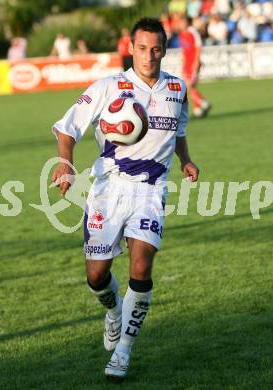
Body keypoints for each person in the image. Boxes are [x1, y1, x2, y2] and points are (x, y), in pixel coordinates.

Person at [52, 17, 199, 381]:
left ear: (164, 50)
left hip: (150, 190)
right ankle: (114, 310)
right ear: (130, 48)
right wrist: (66, 165)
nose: (149, 55)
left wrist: (186, 160)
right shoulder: (108, 87)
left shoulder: (177, 89)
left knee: (141, 266)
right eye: (142, 48)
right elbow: (66, 127)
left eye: (156, 49)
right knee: (97, 275)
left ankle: (123, 353)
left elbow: (177, 130)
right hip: (107, 189)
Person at [179, 16, 211, 118]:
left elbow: (198, 47)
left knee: (189, 86)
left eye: (182, 22)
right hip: (186, 64)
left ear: (187, 22)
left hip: (193, 63)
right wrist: (183, 63)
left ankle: (204, 103)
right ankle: (198, 110)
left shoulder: (192, 32)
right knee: (191, 87)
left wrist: (196, 63)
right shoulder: (182, 34)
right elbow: (184, 50)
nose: (180, 24)